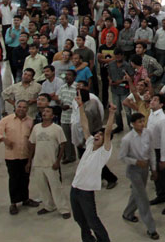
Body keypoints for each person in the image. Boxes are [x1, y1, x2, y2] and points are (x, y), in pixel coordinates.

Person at [70, 93, 116, 242]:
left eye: (100, 136)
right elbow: (84, 124)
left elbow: (108, 131)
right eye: (97, 133)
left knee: (92, 220)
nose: (97, 135)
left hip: (86, 191)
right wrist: (81, 107)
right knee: (79, 219)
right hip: (74, 187)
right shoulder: (89, 143)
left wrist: (112, 113)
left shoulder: (104, 152)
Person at [0, 99, 37, 214]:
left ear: (27, 109)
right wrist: (4, 139)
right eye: (19, 107)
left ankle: (25, 199)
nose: (21, 109)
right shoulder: (7, 120)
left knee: (25, 178)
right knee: (14, 179)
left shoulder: (31, 122)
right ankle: (13, 203)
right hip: (12, 156)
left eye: (24, 107)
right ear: (15, 108)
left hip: (25, 155)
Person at [119, 112, 159, 239]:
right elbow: (122, 157)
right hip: (134, 170)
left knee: (136, 193)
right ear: (132, 124)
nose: (142, 124)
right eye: (139, 122)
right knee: (142, 197)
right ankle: (151, 228)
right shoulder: (127, 139)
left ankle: (128, 213)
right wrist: (136, 161)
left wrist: (153, 168)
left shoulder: (148, 133)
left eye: (143, 121)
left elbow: (151, 151)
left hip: (145, 168)